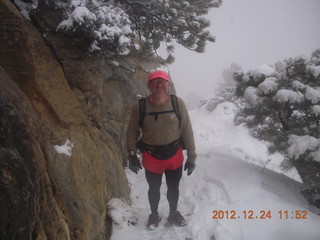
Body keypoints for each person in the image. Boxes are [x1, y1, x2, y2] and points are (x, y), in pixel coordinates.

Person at [126, 69, 197, 230]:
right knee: (153, 187)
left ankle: (173, 212)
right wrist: (131, 154)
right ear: (149, 85)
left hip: (174, 155)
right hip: (151, 156)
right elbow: (132, 131)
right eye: (155, 82)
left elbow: (187, 129)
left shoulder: (177, 104)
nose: (159, 85)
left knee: (174, 187)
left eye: (162, 81)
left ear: (168, 85)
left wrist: (192, 156)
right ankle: (154, 214)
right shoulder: (141, 106)